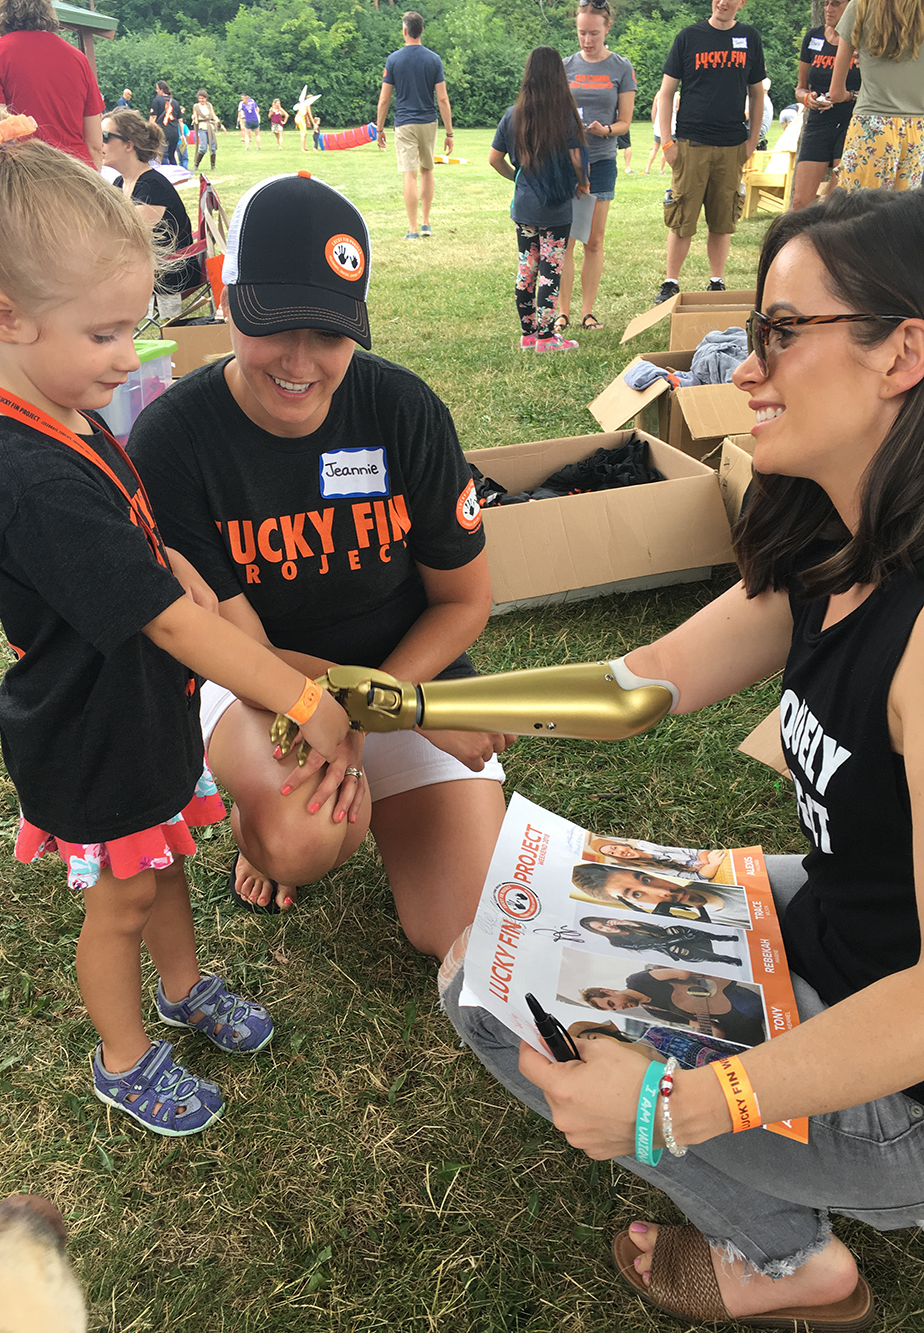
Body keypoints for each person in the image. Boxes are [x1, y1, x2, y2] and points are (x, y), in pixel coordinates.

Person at [441, 188, 924, 1329]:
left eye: (780, 332)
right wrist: (416, 705)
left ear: (903, 350)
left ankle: (785, 1265)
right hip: (852, 930)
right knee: (527, 919)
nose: (744, 368)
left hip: (904, 1073)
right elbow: (641, 677)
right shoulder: (836, 545)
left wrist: (681, 1102)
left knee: (487, 990)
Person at [0, 111, 351, 1137]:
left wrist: (169, 559)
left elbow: (132, 537)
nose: (132, 353)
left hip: (137, 718)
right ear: (7, 317)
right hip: (90, 734)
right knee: (118, 899)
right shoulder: (25, 474)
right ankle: (124, 1056)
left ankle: (183, 987)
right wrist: (297, 695)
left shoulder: (65, 413)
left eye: (134, 325)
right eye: (106, 332)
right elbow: (162, 625)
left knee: (161, 862)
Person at [127, 172, 510, 960]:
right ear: (226, 299)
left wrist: (393, 701)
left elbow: (465, 600)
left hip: (410, 669)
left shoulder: (404, 410)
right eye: (275, 325)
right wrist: (404, 710)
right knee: (301, 837)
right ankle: (255, 826)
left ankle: (364, 789)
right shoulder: (172, 441)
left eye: (331, 334)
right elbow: (239, 649)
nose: (301, 362)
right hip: (262, 686)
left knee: (467, 933)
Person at [653, 0, 765, 304]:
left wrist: (752, 140)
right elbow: (666, 93)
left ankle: (716, 281)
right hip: (691, 143)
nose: (723, 2)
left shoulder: (750, 38)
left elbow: (757, 94)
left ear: (741, 3)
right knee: (682, 217)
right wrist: (667, 143)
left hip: (732, 144)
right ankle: (670, 282)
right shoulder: (689, 37)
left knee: (723, 218)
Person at [489, 46, 588, 353]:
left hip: (525, 206)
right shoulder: (566, 116)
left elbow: (494, 159)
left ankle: (528, 333)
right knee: (550, 270)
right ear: (559, 75)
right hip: (557, 207)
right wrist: (583, 184)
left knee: (527, 268)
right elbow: (576, 160)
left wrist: (517, 178)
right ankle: (547, 338)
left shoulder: (513, 115)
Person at [557, 0, 636, 333]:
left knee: (594, 240)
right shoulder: (564, 66)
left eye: (593, 32)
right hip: (566, 162)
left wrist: (606, 130)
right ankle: (562, 313)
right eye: (581, 33)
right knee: (565, 241)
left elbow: (626, 123)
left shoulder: (621, 67)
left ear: (607, 28)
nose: (586, 40)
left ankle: (588, 312)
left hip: (602, 159)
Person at [0, 0, 104, 169]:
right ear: (47, 11)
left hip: (26, 172)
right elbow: (95, 145)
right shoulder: (78, 58)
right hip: (77, 170)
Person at [101, 110, 205, 321]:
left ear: (128, 145)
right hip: (146, 265)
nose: (97, 143)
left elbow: (126, 236)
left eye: (104, 137)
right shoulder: (121, 183)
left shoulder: (153, 186)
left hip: (170, 269)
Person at [830, 0, 924, 191]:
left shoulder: (860, 5)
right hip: (917, 129)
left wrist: (850, 95)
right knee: (903, 213)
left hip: (871, 125)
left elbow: (836, 92)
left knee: (857, 213)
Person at [375, 11, 454, 240]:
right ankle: (426, 223)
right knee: (427, 171)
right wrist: (449, 133)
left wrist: (379, 129)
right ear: (422, 30)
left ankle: (412, 229)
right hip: (428, 121)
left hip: (404, 123)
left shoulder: (394, 60)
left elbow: (384, 99)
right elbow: (442, 99)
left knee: (409, 175)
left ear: (404, 31)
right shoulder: (433, 60)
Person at [792, 0, 861, 210]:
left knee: (836, 200)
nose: (829, 9)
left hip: (850, 121)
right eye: (826, 4)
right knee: (800, 202)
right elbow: (800, 87)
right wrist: (807, 98)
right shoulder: (813, 37)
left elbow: (874, 87)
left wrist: (848, 96)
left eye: (836, 4)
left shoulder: (861, 40)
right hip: (819, 121)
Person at [579, 967, 765, 1045]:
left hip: (726, 996)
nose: (619, 1007)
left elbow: (682, 972)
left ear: (609, 991)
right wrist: (715, 1037)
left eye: (612, 1003)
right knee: (746, 1044)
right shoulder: (655, 1012)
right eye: (613, 1010)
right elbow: (697, 1023)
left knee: (753, 1010)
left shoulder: (637, 980)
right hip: (727, 1019)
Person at [571, 861, 729, 922]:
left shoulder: (720, 875)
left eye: (646, 879)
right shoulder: (718, 923)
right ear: (637, 906)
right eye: (636, 895)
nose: (663, 891)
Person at [581, 917, 743, 967]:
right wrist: (679, 939)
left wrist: (631, 923)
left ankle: (722, 938)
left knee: (677, 928)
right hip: (666, 945)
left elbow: (657, 931)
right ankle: (726, 960)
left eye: (603, 924)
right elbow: (651, 944)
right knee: (676, 947)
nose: (606, 928)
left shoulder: (625, 924)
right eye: (601, 929)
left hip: (667, 934)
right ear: (599, 932)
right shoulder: (616, 942)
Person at [585, 836, 726, 879]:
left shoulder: (645, 845)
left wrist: (706, 860)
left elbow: (694, 850)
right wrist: (711, 865)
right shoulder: (647, 869)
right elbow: (697, 877)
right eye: (612, 854)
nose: (619, 853)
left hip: (714, 860)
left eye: (615, 848)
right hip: (714, 873)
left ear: (620, 844)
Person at [148, 80, 182, 167]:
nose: (156, 91)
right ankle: (175, 175)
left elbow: (153, 117)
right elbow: (180, 120)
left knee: (163, 155)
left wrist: (149, 130)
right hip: (174, 132)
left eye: (157, 89)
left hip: (162, 131)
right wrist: (182, 134)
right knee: (172, 156)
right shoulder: (175, 102)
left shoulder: (157, 100)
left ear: (161, 90)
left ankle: (166, 176)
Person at [645, 87, 677, 174]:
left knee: (655, 147)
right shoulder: (676, 95)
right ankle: (661, 169)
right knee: (666, 146)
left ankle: (648, 168)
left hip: (658, 124)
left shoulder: (658, 94)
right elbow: (677, 110)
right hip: (670, 125)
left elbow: (653, 110)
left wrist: (654, 123)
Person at [191, 89, 223, 172]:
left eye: (203, 98)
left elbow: (213, 115)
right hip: (202, 127)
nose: (201, 100)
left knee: (213, 147)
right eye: (200, 98)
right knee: (203, 147)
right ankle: (196, 164)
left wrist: (220, 124)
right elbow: (195, 115)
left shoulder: (209, 105)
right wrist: (194, 118)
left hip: (210, 127)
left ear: (206, 98)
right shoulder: (196, 106)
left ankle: (213, 165)